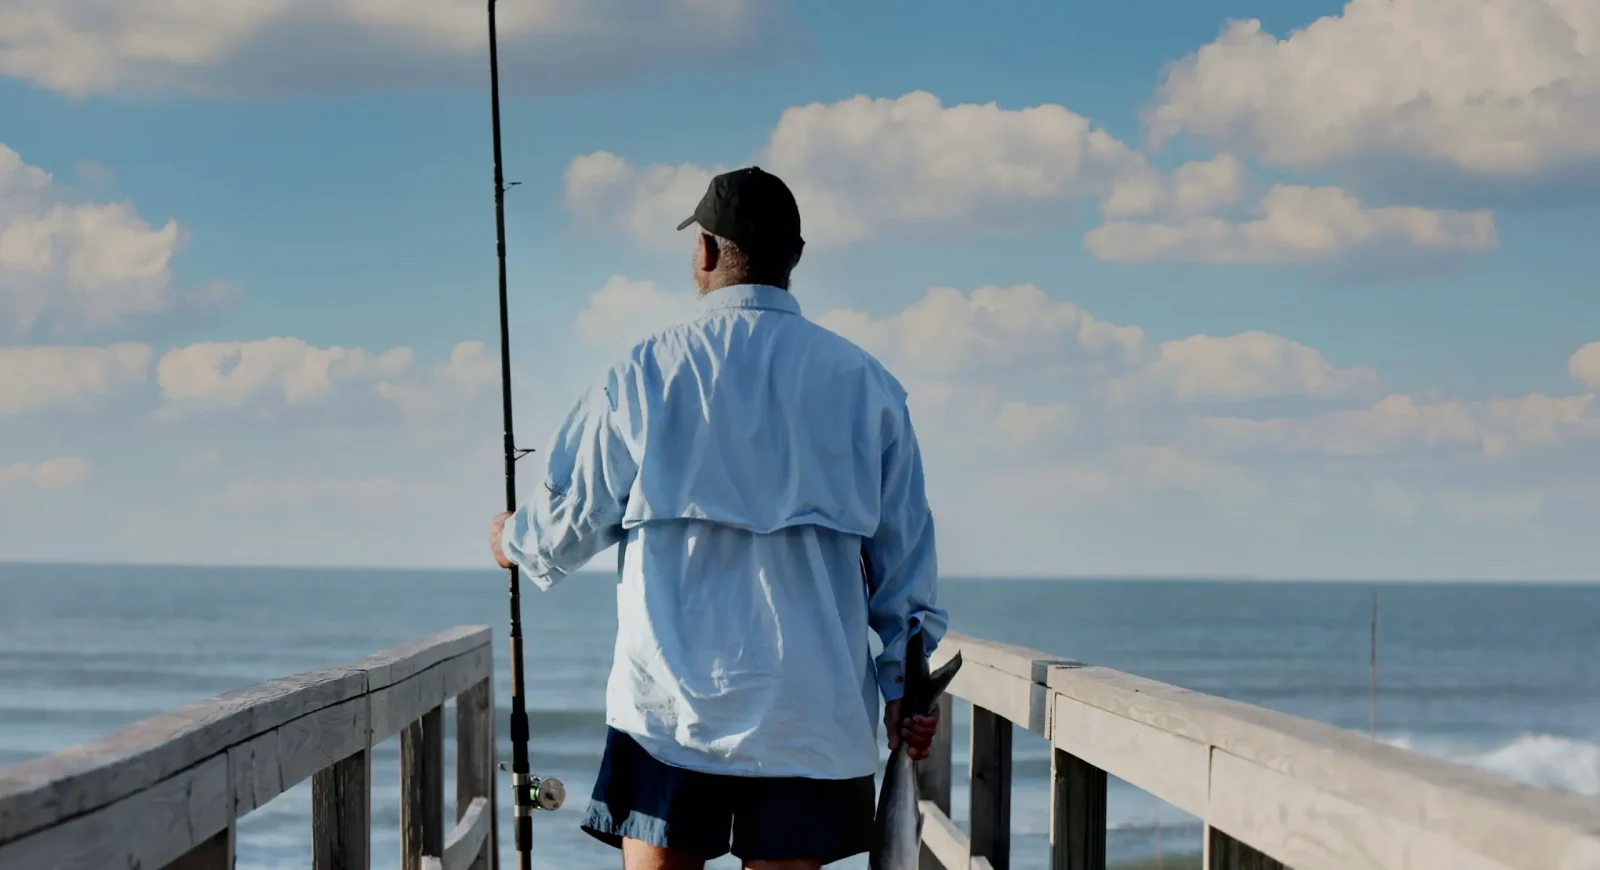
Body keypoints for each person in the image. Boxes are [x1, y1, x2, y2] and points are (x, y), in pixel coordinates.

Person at [488, 166, 946, 870]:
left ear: (705, 251)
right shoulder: (869, 388)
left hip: (667, 714)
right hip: (810, 716)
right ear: (794, 259)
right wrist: (900, 689)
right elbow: (904, 565)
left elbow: (567, 527)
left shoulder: (642, 374)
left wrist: (510, 539)